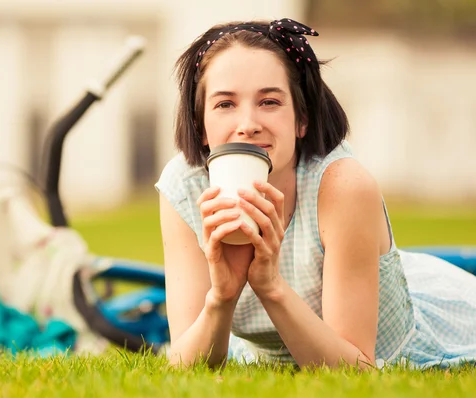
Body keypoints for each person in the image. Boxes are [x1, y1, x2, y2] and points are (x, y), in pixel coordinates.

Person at [154, 18, 476, 370]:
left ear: (301, 120)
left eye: (269, 102)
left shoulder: (342, 185)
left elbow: (358, 369)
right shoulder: (185, 187)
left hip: (410, 342)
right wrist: (222, 297)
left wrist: (271, 287)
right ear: (200, 126)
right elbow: (185, 366)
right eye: (225, 104)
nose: (247, 123)